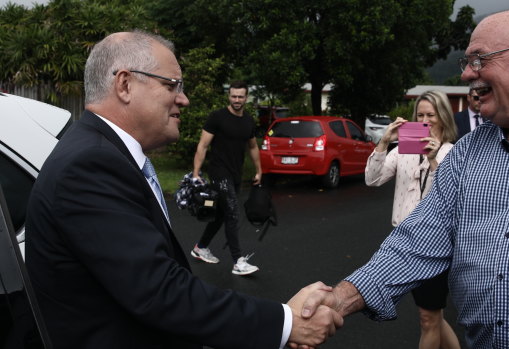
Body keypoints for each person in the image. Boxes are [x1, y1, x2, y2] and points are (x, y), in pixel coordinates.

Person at [295, 9, 509, 348]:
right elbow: (415, 243)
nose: (466, 74)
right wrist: (340, 299)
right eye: (466, 62)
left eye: (479, 60)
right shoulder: (466, 154)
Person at [25, 30, 342, 349]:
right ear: (124, 84)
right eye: (171, 85)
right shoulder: (90, 165)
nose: (183, 99)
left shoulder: (100, 154)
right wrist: (286, 323)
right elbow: (159, 292)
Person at [365, 90, 460, 349]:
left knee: (428, 318)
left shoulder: (453, 153)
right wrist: (385, 142)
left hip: (435, 243)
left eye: (432, 114)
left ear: (442, 117)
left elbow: (453, 197)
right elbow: (372, 180)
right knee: (433, 317)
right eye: (420, 115)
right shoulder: (404, 149)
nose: (426, 120)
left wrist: (433, 158)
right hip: (403, 240)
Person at [190, 80, 262, 276]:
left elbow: (253, 147)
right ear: (229, 96)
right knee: (232, 212)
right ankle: (238, 261)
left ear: (246, 98)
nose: (237, 99)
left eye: (240, 96)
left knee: (221, 214)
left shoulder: (248, 120)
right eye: (233, 96)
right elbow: (203, 145)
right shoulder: (217, 117)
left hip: (235, 173)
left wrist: (258, 170)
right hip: (219, 172)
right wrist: (196, 173)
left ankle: (201, 247)